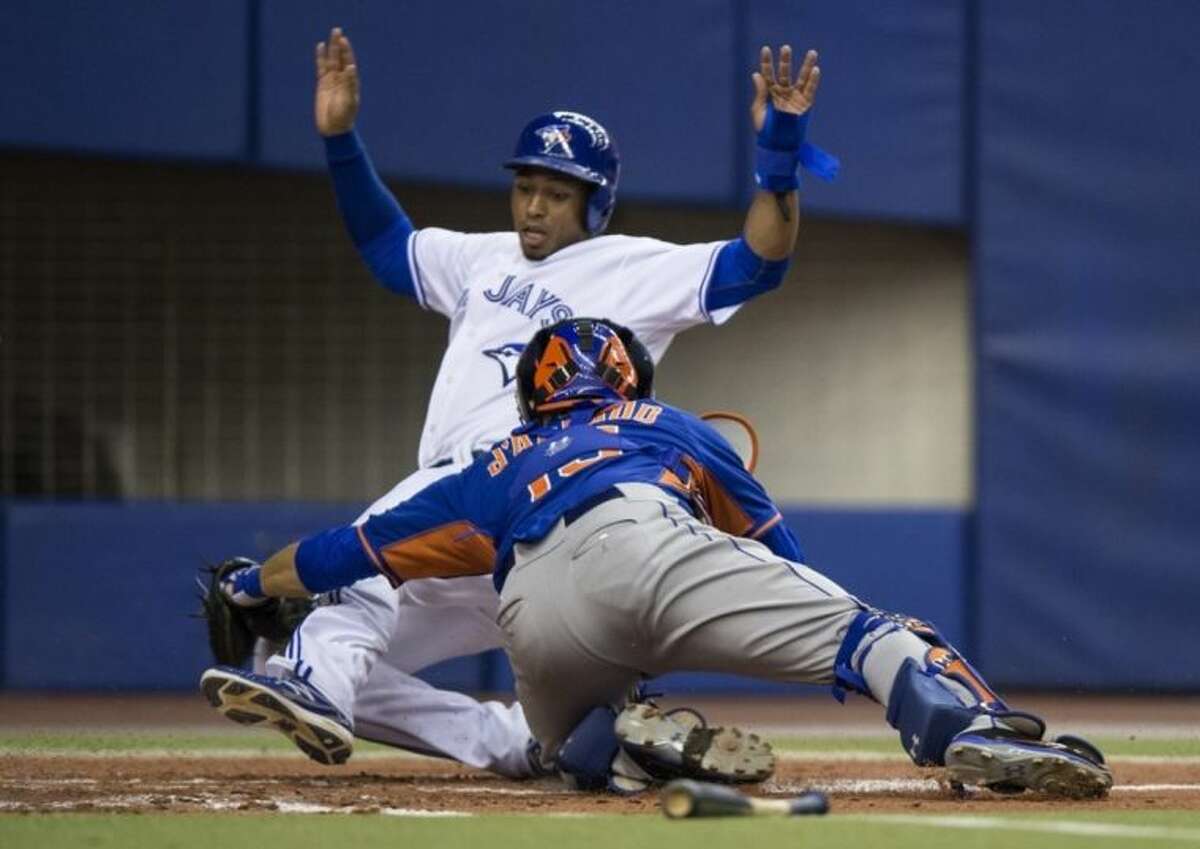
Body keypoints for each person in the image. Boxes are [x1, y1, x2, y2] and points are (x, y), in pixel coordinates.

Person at [202, 26, 837, 776]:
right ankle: (513, 741)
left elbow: (759, 261)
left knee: (352, 583)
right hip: (465, 539)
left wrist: (779, 154)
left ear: (595, 203)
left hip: (527, 491)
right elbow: (386, 246)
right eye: (526, 185)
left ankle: (316, 681)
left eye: (556, 192)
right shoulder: (481, 256)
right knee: (311, 650)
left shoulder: (633, 268)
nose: (534, 206)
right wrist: (341, 140)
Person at [202, 318, 1112, 797]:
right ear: (627, 378)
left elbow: (339, 553)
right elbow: (778, 551)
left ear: (535, 398)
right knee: (872, 632)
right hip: (649, 545)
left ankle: (609, 747)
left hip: (537, 626)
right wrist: (824, 635)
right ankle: (967, 727)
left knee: (561, 748)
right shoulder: (666, 422)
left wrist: (251, 582)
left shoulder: (492, 463)